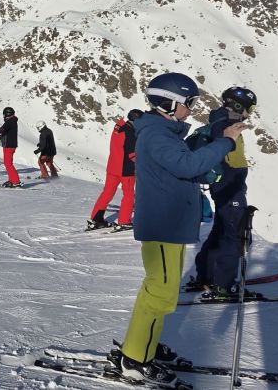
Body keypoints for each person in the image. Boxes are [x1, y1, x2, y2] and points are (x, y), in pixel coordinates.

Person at [113, 72, 244, 386]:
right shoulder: (157, 135)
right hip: (163, 225)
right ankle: (134, 359)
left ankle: (144, 345)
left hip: (168, 223)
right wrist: (226, 141)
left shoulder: (162, 131)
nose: (192, 107)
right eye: (189, 102)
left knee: (160, 291)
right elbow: (187, 166)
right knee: (159, 293)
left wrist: (211, 135)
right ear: (168, 103)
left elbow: (183, 160)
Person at [190, 87, 258, 299]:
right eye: (250, 107)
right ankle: (224, 285)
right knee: (234, 234)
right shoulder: (226, 127)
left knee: (220, 231)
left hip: (225, 187)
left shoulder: (220, 123)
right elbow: (222, 156)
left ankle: (207, 277)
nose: (250, 112)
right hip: (230, 187)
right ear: (239, 105)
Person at [88, 110, 143, 230]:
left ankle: (96, 219)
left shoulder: (119, 126)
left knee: (107, 193)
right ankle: (124, 221)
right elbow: (132, 154)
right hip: (125, 170)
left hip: (113, 166)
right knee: (128, 195)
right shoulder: (130, 134)